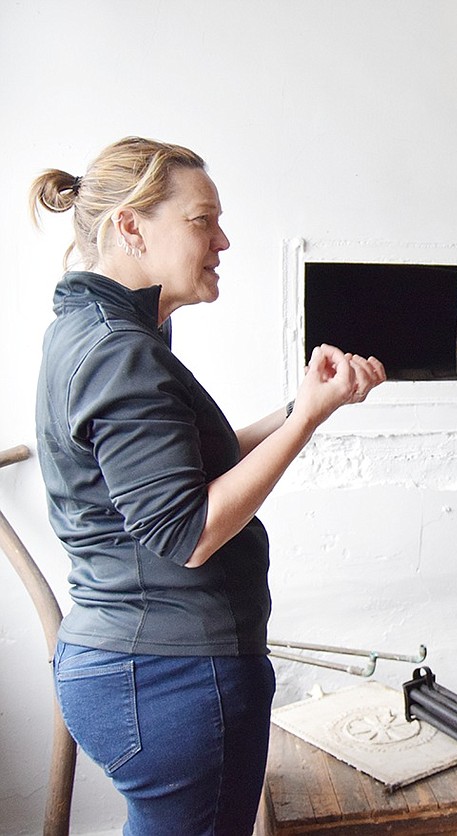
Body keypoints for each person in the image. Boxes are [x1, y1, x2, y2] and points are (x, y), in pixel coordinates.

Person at [30, 136, 386, 835]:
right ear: (130, 225)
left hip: (133, 669)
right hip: (169, 679)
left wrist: (302, 407)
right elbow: (187, 533)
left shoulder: (96, 331)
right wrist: (308, 419)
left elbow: (186, 471)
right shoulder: (118, 353)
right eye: (203, 220)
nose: (222, 240)